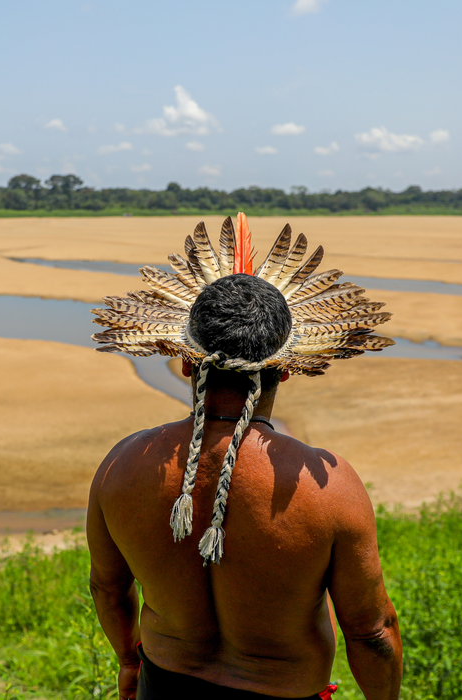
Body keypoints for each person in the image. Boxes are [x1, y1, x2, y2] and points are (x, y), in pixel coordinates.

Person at [87, 215, 402, 699]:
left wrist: (130, 662)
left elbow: (108, 590)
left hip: (164, 683)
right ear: (288, 368)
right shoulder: (331, 489)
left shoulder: (122, 466)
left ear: (187, 361)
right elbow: (372, 632)